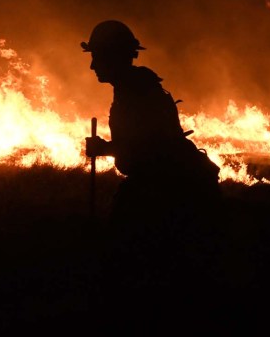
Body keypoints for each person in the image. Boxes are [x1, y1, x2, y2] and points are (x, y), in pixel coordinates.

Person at [81, 19, 222, 331]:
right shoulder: (133, 89)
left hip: (169, 192)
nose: (91, 65)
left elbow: (149, 150)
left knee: (141, 265)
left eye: (97, 57)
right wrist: (109, 148)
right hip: (163, 185)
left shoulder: (138, 94)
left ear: (115, 57)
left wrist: (105, 149)